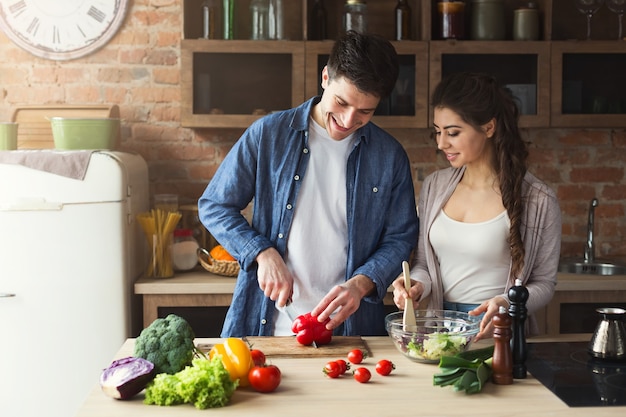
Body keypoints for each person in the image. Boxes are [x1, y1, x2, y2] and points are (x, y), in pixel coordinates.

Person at [198, 31, 419, 337]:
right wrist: (262, 252)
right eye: (341, 103)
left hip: (350, 330)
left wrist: (362, 282)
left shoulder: (389, 155)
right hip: (268, 325)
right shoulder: (268, 134)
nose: (347, 119)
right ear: (326, 77)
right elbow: (214, 205)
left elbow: (400, 238)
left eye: (365, 111)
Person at [392, 72, 561, 341]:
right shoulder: (436, 186)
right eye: (437, 132)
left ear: (489, 128)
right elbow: (424, 262)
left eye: (453, 132)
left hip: (497, 332)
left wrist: (506, 303)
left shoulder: (538, 200)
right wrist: (417, 285)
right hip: (439, 328)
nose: (441, 143)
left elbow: (544, 284)